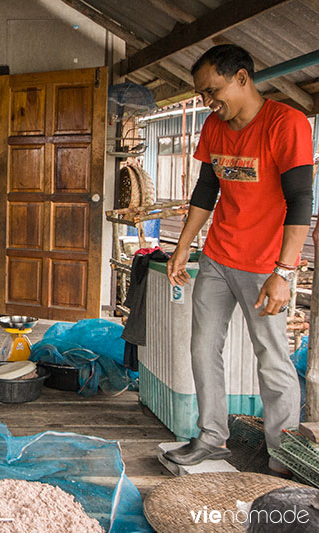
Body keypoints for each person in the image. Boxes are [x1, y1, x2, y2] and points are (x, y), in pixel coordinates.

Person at [163, 45, 313, 475]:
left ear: (242, 78)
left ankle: (283, 455)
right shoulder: (214, 126)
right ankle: (211, 437)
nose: (209, 103)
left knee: (272, 356)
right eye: (203, 95)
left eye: (213, 91)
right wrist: (182, 248)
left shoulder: (287, 124)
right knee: (202, 347)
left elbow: (301, 199)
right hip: (218, 257)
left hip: (266, 265)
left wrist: (284, 273)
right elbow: (205, 192)